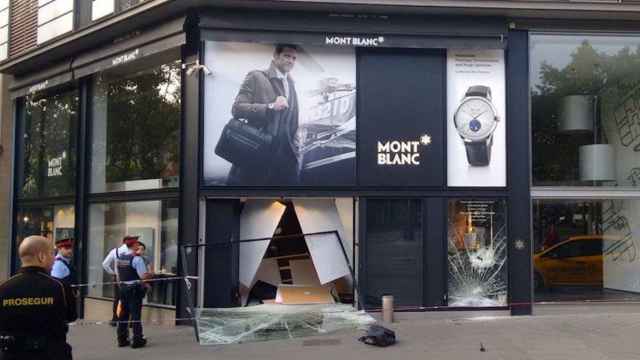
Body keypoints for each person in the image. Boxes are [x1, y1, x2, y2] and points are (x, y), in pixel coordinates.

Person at [227, 43, 301, 185]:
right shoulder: (256, 76)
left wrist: (296, 145)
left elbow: (292, 122)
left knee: (289, 202)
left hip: (285, 160)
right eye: (287, 56)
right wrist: (270, 106)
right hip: (256, 154)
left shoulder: (292, 85)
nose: (291, 61)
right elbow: (236, 109)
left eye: (294, 58)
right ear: (275, 56)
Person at [0, 235, 77, 360]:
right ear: (42, 257)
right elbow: (71, 316)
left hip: (13, 353)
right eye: (52, 254)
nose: (54, 259)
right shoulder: (60, 286)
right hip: (52, 353)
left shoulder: (4, 287)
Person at [115, 236, 151, 348]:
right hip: (134, 290)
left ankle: (122, 339)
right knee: (135, 316)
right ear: (134, 245)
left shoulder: (121, 258)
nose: (138, 245)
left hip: (123, 289)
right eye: (136, 244)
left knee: (123, 315)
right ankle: (137, 340)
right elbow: (143, 276)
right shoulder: (137, 259)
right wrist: (150, 276)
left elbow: (118, 274)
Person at [102, 236, 134, 326]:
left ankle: (115, 319)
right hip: (130, 278)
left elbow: (105, 264)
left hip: (118, 279)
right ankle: (130, 321)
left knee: (117, 299)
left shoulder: (115, 251)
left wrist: (113, 274)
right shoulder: (132, 252)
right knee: (130, 299)